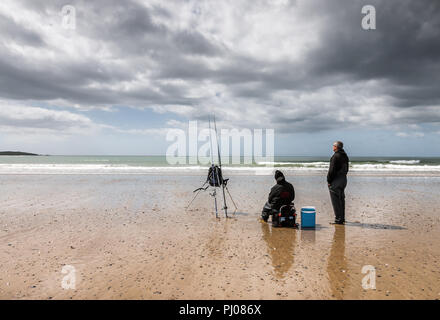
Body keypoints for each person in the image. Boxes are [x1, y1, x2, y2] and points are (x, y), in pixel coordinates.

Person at [327, 141, 349, 225]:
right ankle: (342, 218)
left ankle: (338, 219)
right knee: (341, 199)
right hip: (343, 179)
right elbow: (347, 168)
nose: (332, 147)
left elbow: (331, 171)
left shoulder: (335, 156)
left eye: (333, 146)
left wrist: (329, 181)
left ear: (336, 147)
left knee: (335, 200)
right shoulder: (345, 155)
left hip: (336, 180)